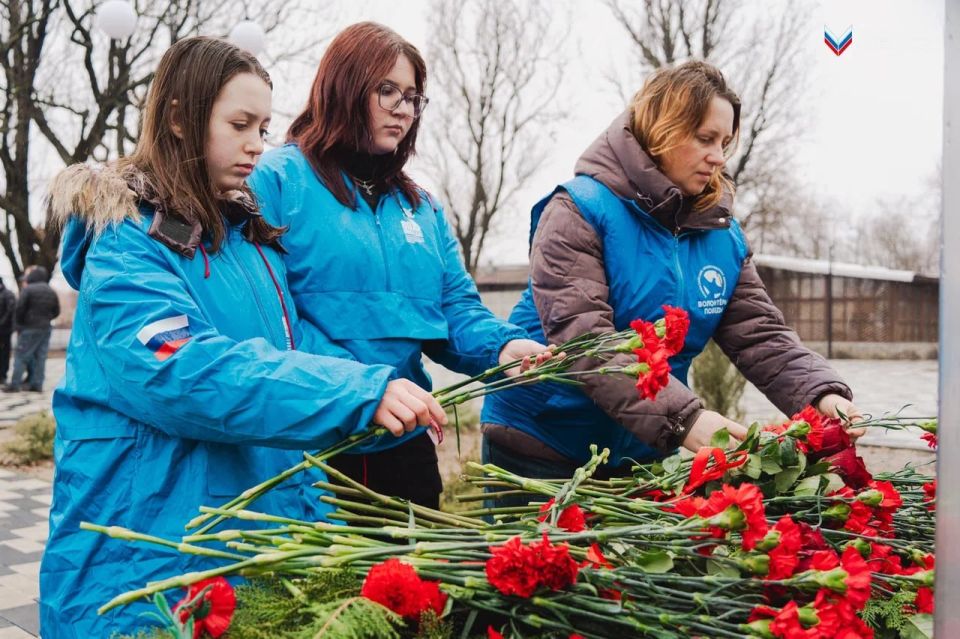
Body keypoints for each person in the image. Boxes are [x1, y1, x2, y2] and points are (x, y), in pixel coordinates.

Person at [39, 36, 449, 638]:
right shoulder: (126, 246)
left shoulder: (247, 242)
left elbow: (289, 351)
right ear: (179, 119)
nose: (258, 144)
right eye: (240, 124)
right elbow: (184, 370)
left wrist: (384, 397)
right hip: (150, 547)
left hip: (245, 537)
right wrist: (355, 392)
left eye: (263, 126)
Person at [480, 61, 862, 489]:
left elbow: (760, 334)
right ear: (662, 129)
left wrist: (820, 394)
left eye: (725, 142)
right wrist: (685, 420)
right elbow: (585, 341)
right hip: (544, 441)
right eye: (705, 138)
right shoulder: (579, 211)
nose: (719, 157)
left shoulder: (722, 236)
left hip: (640, 450)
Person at [248, 22, 549, 510]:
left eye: (412, 97)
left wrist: (502, 347)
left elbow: (453, 308)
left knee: (420, 562)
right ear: (343, 87)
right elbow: (271, 317)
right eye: (387, 91)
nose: (404, 109)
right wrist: (364, 388)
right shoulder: (276, 181)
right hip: (313, 443)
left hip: (405, 438)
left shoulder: (421, 207)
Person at [3, 265, 60, 392]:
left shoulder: (28, 290)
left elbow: (19, 309)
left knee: (21, 355)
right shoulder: (51, 291)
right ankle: (37, 385)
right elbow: (56, 311)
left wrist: (20, 324)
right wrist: (47, 318)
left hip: (29, 328)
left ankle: (15, 385)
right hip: (46, 328)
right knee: (41, 356)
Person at [0, 277, 14, 384]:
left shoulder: (8, 294)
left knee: (4, 353)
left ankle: (3, 375)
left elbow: (10, 311)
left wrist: (1, 323)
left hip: (4, 330)